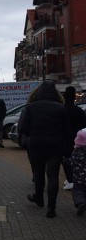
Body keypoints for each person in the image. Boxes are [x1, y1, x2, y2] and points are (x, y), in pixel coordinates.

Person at [18, 81, 71, 218]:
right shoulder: (60, 108)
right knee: (53, 175)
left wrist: (32, 134)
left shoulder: (31, 107)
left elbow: (23, 128)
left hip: (36, 144)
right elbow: (67, 130)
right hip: (56, 144)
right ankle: (51, 208)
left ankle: (39, 198)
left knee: (38, 172)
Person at [61, 86, 86, 190]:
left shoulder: (61, 109)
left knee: (66, 159)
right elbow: (84, 125)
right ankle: (74, 178)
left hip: (64, 138)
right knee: (77, 160)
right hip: (78, 139)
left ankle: (70, 180)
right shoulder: (79, 110)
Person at [69, 129, 86, 216]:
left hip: (79, 177)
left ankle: (80, 203)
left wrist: (64, 160)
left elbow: (71, 162)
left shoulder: (77, 151)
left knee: (78, 191)